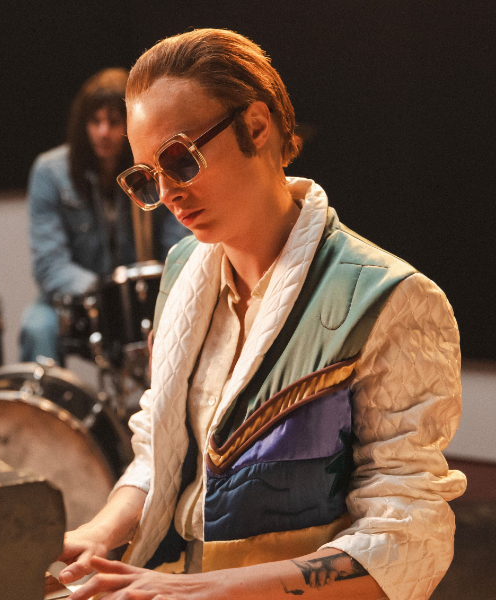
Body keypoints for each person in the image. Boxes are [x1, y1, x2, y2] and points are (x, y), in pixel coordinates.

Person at [55, 30, 466, 600]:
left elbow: (409, 537)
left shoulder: (393, 299)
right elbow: (161, 453)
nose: (168, 194)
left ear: (255, 126)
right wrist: (96, 534)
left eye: (179, 160)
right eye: (147, 177)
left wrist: (209, 589)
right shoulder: (182, 270)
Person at [20, 68, 188, 363]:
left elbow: (179, 247)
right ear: (82, 124)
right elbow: (50, 265)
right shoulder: (49, 172)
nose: (103, 132)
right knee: (37, 327)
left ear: (131, 124)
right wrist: (104, 291)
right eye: (95, 121)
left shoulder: (151, 168)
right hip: (77, 303)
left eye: (113, 121)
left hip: (142, 298)